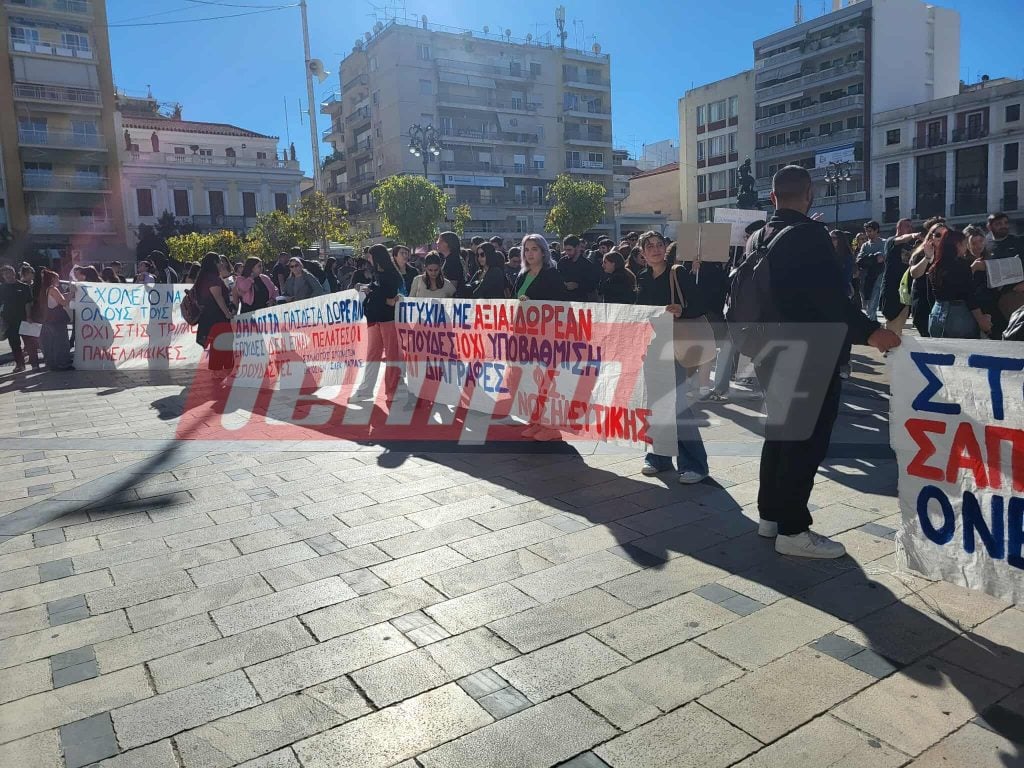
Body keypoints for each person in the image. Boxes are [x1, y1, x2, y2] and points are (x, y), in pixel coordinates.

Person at [753, 166, 899, 559]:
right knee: (806, 442)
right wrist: (870, 332)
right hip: (810, 353)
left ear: (772, 198)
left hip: (769, 352)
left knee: (780, 435)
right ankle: (794, 530)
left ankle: (771, 517)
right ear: (811, 195)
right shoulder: (809, 235)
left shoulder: (756, 237)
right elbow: (831, 300)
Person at [635, 230, 710, 484]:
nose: (655, 249)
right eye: (650, 246)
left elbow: (701, 304)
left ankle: (695, 464)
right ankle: (659, 457)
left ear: (665, 248)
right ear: (642, 253)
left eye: (659, 245)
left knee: (678, 405)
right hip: (653, 348)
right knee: (656, 405)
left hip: (677, 347)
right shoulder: (642, 278)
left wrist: (682, 309)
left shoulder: (677, 273)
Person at [353, 244, 407, 405]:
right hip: (375, 318)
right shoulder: (380, 274)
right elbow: (386, 297)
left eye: (370, 256)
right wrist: (368, 289)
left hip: (387, 319)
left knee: (391, 355)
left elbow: (390, 300)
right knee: (373, 355)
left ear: (376, 257)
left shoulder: (389, 275)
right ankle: (366, 390)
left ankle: (392, 390)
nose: (368, 259)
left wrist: (373, 292)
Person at [927, 229, 991, 338]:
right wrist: (981, 320)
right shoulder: (962, 265)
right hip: (958, 314)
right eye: (965, 244)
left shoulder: (935, 267)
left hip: (937, 312)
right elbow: (969, 295)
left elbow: (930, 295)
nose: (966, 247)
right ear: (958, 245)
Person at [192, 252, 234, 378]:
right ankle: (218, 370)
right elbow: (218, 298)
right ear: (214, 263)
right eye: (219, 261)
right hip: (217, 316)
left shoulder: (204, 277)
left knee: (219, 343)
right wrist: (227, 313)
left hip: (209, 316)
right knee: (222, 343)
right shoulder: (212, 279)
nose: (222, 264)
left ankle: (220, 370)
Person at [905, 219, 948, 337]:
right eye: (938, 235)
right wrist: (927, 257)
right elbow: (914, 273)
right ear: (931, 237)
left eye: (945, 235)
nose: (941, 238)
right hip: (923, 304)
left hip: (942, 306)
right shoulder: (921, 253)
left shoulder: (950, 254)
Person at [877, 218, 917, 337]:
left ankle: (893, 347)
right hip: (891, 288)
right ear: (899, 227)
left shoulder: (909, 247)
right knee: (891, 320)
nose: (910, 229)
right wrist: (913, 235)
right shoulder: (891, 241)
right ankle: (887, 348)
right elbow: (900, 239)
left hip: (904, 289)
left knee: (901, 322)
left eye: (911, 227)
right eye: (907, 226)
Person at [32, 267, 74, 371]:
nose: (58, 280)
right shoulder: (53, 289)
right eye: (57, 278)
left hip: (48, 319)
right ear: (52, 279)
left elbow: (52, 301)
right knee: (61, 342)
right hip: (57, 319)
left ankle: (52, 364)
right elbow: (63, 302)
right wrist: (71, 294)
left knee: (51, 343)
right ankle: (63, 363)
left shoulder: (44, 289)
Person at [831, 230, 856, 379]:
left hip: (841, 296)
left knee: (844, 332)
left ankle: (844, 364)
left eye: (833, 238)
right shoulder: (827, 254)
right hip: (828, 297)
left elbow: (845, 279)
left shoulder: (846, 257)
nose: (831, 240)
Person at [514, 234, 567, 302]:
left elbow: (561, 303)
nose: (530, 253)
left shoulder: (552, 275)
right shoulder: (522, 274)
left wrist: (532, 303)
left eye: (534, 249)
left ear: (543, 252)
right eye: (526, 250)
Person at [1, 265, 33, 372]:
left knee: (29, 342)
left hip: (23, 319)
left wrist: (29, 316)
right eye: (5, 274)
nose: (7, 276)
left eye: (9, 273)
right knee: (14, 344)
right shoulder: (2, 288)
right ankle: (20, 364)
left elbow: (28, 303)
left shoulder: (24, 287)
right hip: (8, 320)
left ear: (14, 273)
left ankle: (34, 363)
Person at [855, 220, 886, 318]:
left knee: (873, 303)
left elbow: (882, 258)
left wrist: (869, 259)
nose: (868, 234)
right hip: (868, 277)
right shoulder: (865, 245)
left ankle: (872, 322)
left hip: (880, 274)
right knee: (868, 303)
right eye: (867, 231)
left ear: (876, 230)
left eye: (870, 231)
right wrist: (873, 258)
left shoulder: (884, 243)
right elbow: (860, 260)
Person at [557, 234, 597, 301]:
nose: (567, 253)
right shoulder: (562, 262)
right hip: (564, 301)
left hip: (581, 301)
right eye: (565, 250)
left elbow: (592, 286)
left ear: (578, 247)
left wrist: (577, 285)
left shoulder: (587, 265)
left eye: (569, 250)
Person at [436, 231, 466, 297]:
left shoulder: (453, 261)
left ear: (449, 244)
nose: (437, 242)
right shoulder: (449, 259)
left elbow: (452, 286)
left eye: (440, 241)